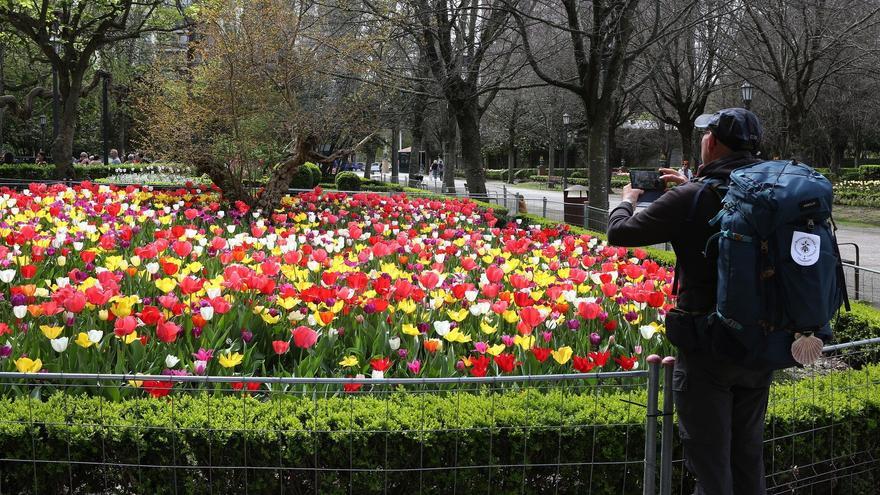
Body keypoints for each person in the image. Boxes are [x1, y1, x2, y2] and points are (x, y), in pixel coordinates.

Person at [606, 108, 769, 495]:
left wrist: (626, 200)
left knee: (711, 467)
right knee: (748, 458)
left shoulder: (691, 196)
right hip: (760, 343)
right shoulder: (766, 191)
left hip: (707, 345)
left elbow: (620, 233)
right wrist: (691, 186)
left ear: (710, 142)